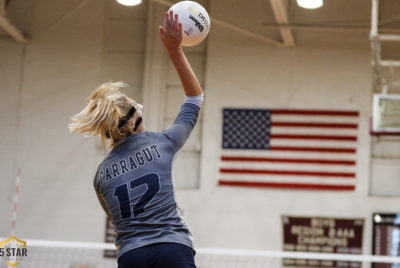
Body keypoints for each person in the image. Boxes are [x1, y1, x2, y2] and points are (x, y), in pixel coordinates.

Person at [69, 11, 202, 268]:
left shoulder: (101, 174)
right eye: (137, 107)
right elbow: (195, 98)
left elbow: (117, 222)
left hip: (131, 255)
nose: (141, 110)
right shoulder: (163, 142)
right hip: (172, 246)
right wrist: (175, 51)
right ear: (131, 120)